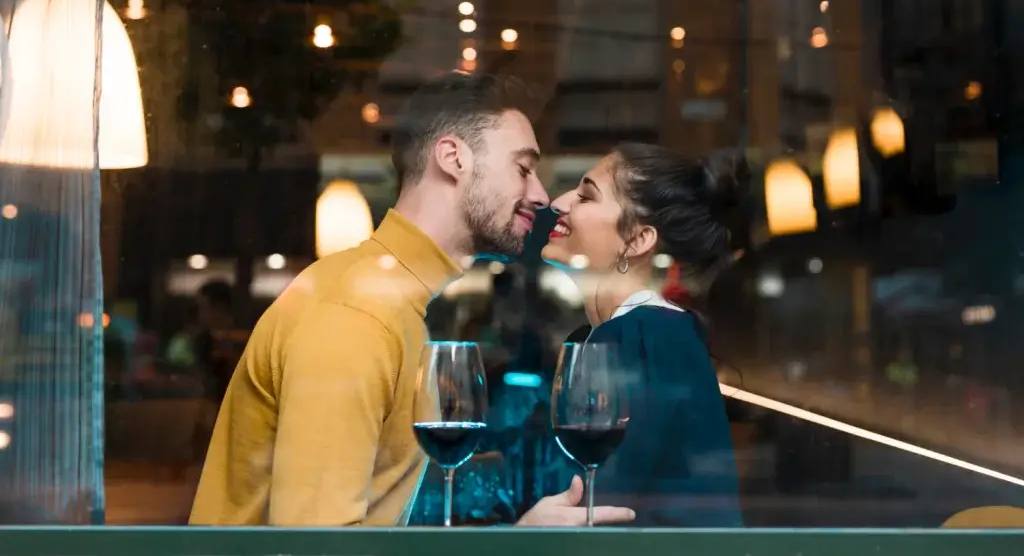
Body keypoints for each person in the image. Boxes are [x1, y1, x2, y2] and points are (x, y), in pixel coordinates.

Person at [189, 72, 635, 527]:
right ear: (452, 158)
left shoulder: (387, 304)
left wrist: (514, 538)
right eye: (523, 168)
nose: (540, 195)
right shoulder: (356, 317)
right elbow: (318, 552)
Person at [541, 142, 745, 527]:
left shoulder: (641, 337)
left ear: (636, 241)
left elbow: (596, 510)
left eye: (585, 196)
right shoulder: (637, 333)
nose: (558, 202)